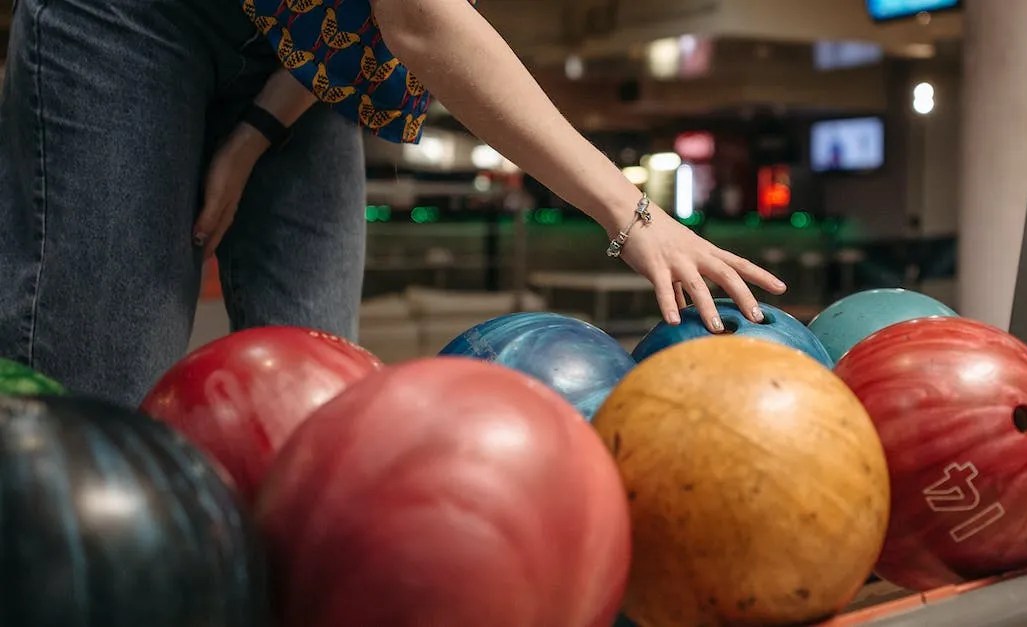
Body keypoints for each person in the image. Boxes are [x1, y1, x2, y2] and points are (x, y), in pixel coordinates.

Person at [0, 0, 786, 407]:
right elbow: (422, 22)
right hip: (129, 19)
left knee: (319, 396)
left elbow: (350, 19)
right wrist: (633, 213)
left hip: (288, 55)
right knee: (104, 399)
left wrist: (256, 131)